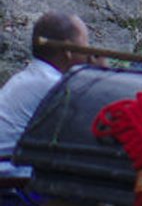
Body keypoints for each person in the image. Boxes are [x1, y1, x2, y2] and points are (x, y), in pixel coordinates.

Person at [0, 13, 91, 183]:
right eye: (86, 43)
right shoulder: (52, 85)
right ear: (69, 51)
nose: (90, 50)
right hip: (9, 180)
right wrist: (100, 72)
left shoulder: (33, 77)